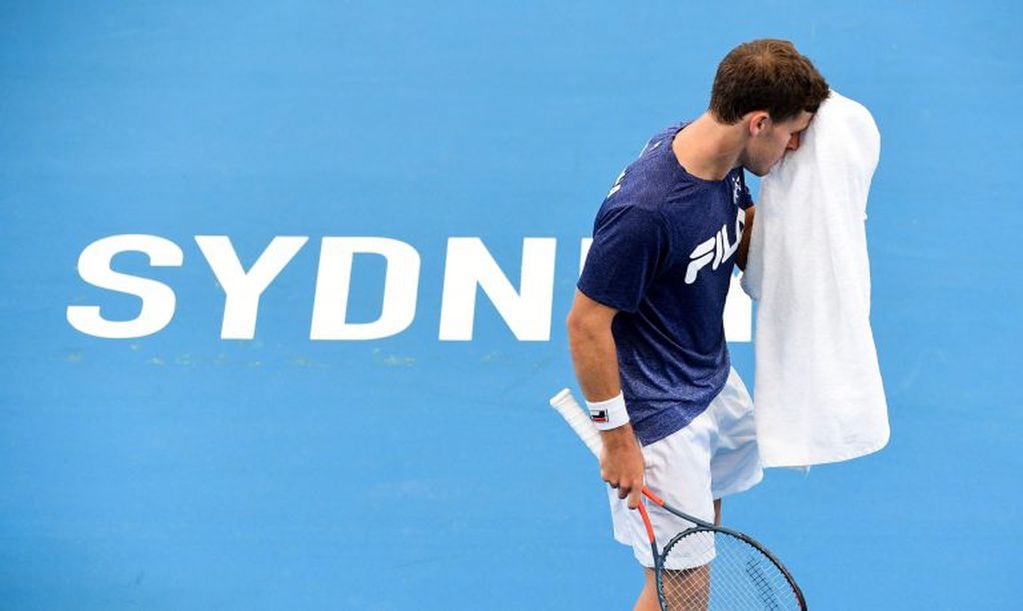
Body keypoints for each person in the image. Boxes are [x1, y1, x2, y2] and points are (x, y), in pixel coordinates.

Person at [565, 39, 829, 610]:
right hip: (657, 416)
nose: (796, 145)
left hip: (706, 379)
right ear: (758, 122)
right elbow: (586, 323)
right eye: (791, 133)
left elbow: (733, 230)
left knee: (698, 539)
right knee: (682, 591)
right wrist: (618, 441)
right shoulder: (646, 212)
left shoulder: (720, 154)